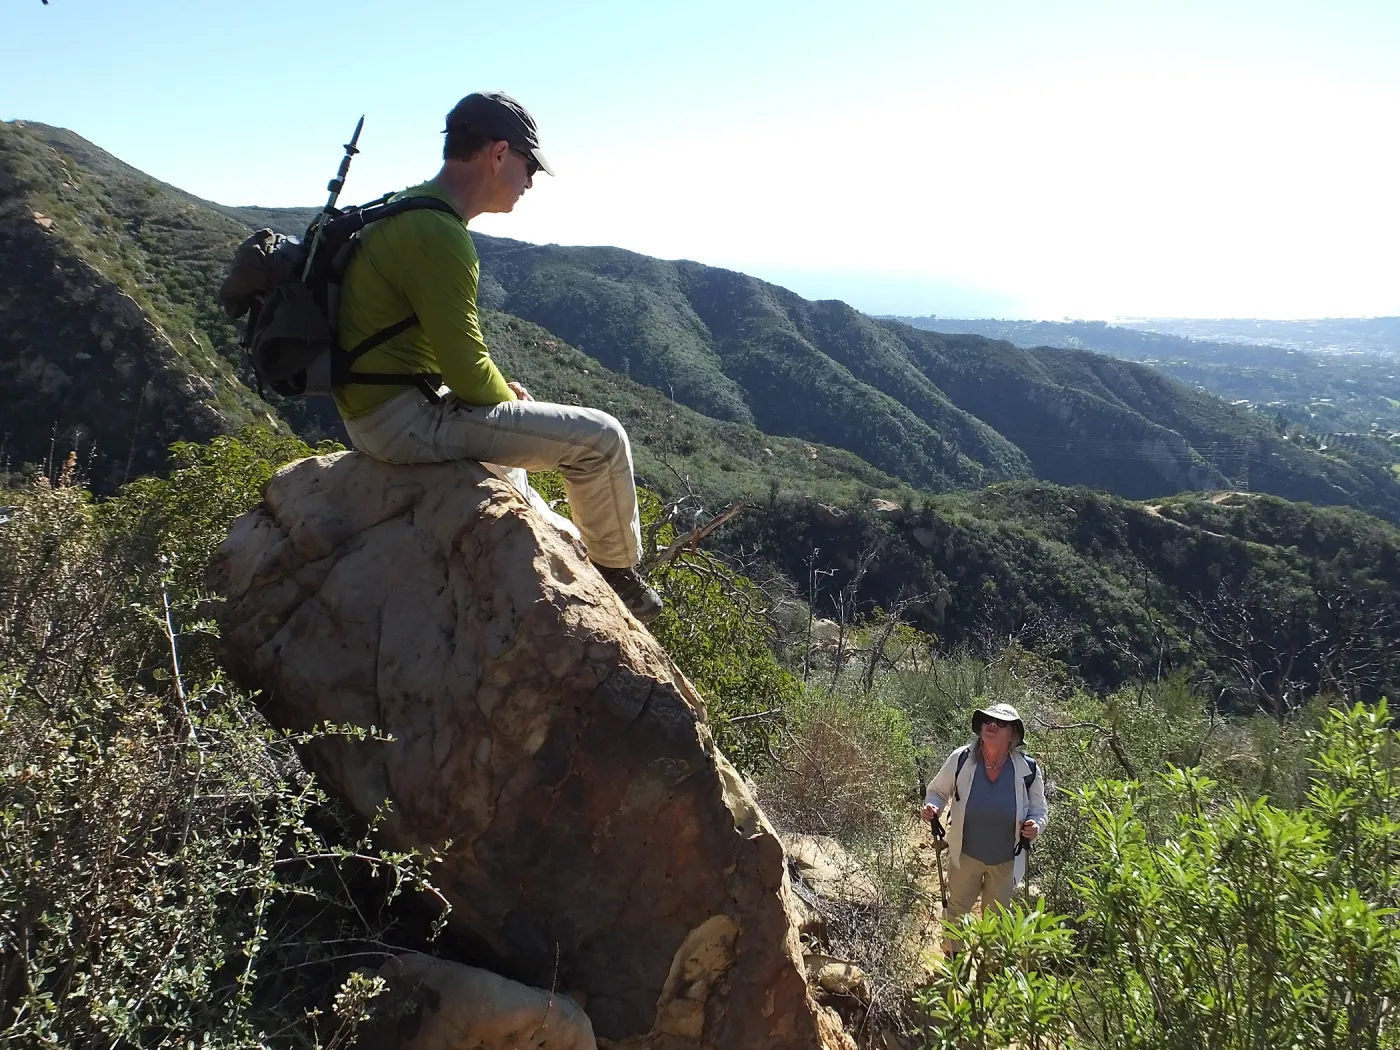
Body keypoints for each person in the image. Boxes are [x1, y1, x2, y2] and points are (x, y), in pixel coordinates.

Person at [332, 91, 663, 623]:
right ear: (499, 153)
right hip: (399, 420)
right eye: (529, 167)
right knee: (603, 440)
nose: (529, 182)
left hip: (377, 404)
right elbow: (465, 370)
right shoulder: (438, 235)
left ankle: (548, 535)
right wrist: (499, 393)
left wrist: (499, 390)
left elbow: (449, 350)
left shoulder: (405, 207)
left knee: (511, 461)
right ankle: (614, 575)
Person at [920, 702, 1048, 955]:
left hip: (1006, 860)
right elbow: (936, 792)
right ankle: (954, 966)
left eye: (1001, 723)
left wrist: (1036, 826)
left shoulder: (1027, 770)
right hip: (964, 853)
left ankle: (989, 973)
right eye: (988, 720)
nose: (992, 725)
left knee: (998, 919)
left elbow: (1039, 810)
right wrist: (933, 807)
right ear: (980, 726)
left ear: (1012, 733)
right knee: (956, 910)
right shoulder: (961, 759)